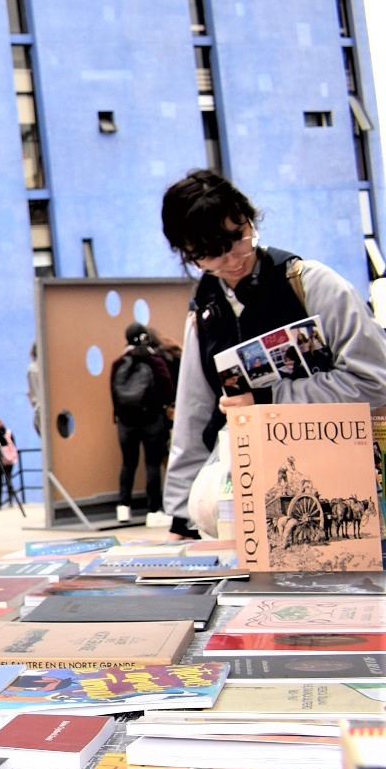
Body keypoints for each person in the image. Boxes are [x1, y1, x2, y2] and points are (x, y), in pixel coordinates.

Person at [160, 170, 386, 535]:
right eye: (211, 254)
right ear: (189, 255)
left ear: (249, 217)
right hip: (241, 505)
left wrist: (270, 400)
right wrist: (180, 518)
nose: (233, 259)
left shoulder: (313, 285)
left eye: (239, 237)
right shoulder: (203, 312)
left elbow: (376, 382)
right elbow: (193, 416)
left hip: (333, 486)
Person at [109, 323, 174, 527]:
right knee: (152, 463)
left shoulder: (118, 363)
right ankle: (153, 511)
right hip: (152, 420)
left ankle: (123, 507)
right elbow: (168, 389)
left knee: (128, 463)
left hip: (126, 423)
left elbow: (113, 393)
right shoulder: (155, 361)